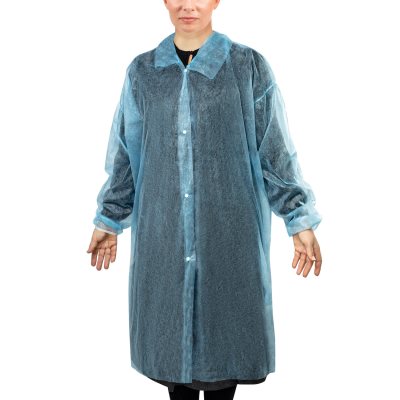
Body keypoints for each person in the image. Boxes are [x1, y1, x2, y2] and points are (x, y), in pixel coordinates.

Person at [86, 1, 323, 399]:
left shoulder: (246, 67)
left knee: (223, 364)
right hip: (163, 244)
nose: (188, 5)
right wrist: (109, 219)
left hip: (227, 243)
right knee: (173, 371)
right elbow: (127, 153)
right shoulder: (143, 72)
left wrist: (298, 218)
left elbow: (274, 150)